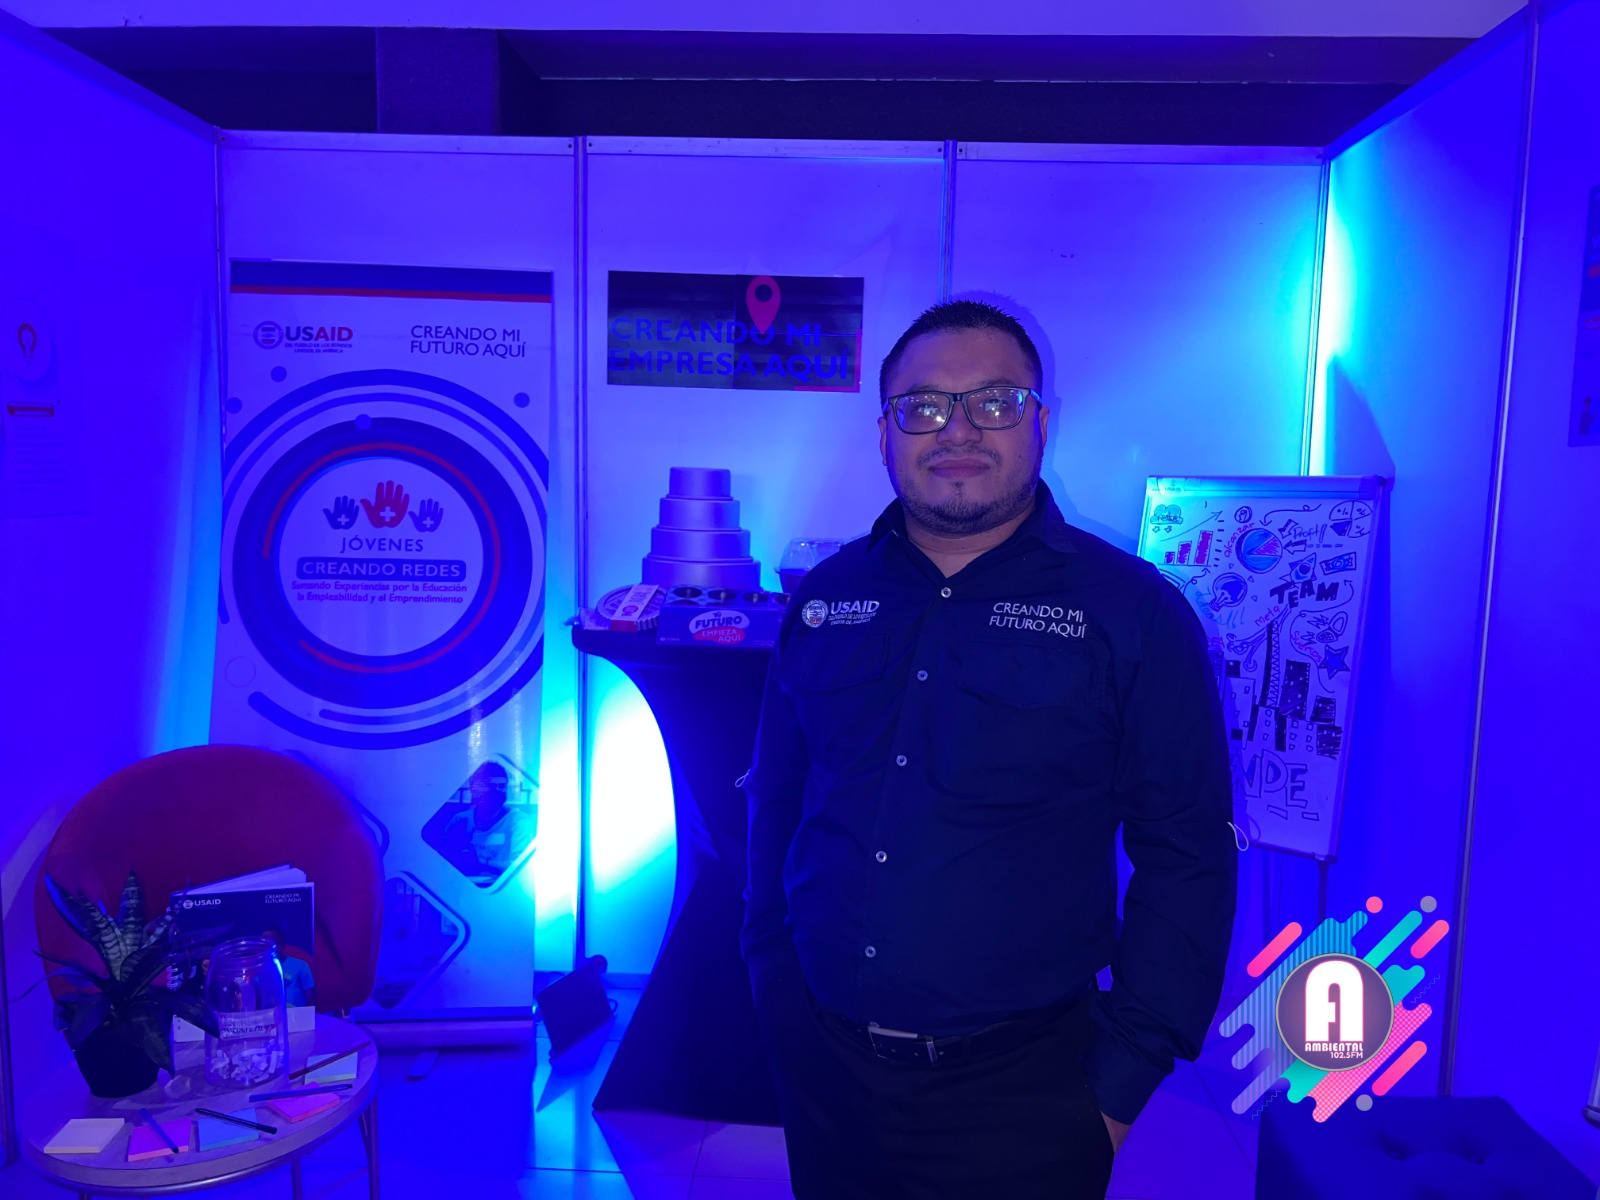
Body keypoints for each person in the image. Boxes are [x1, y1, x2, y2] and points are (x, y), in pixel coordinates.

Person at [742, 300, 1238, 1199]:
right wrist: (772, 976)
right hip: (823, 1068)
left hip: (1029, 1096)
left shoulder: (1132, 613)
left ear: (1042, 422)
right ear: (884, 434)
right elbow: (779, 798)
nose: (958, 430)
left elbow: (1188, 852)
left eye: (995, 402)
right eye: (923, 406)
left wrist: (1119, 1084)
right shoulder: (824, 599)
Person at [438, 761, 535, 881]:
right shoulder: (461, 819)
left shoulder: (518, 821)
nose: (497, 791)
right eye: (490, 786)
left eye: (502, 786)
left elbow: (521, 867)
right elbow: (440, 857)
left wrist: (482, 863)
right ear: (475, 789)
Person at [262, 928, 316, 1007]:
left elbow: (310, 996)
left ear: (281, 944)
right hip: (269, 1012)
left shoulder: (301, 965)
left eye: (272, 943)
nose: (268, 948)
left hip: (296, 1012)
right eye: (265, 944)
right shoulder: (258, 971)